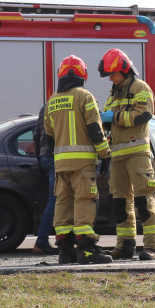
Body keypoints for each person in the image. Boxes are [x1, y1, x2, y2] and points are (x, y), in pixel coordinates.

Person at [45, 55, 112, 265]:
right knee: (84, 201)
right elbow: (95, 129)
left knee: (63, 203)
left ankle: (65, 251)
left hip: (60, 164)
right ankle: (87, 250)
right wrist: (105, 155)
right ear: (83, 75)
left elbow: (49, 134)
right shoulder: (84, 96)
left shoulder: (52, 100)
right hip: (82, 163)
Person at [98, 48, 155, 261]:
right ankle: (124, 246)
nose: (111, 79)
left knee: (144, 200)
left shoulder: (140, 88)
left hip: (137, 154)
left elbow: (142, 115)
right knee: (120, 203)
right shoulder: (113, 93)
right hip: (117, 155)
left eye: (113, 74)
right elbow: (110, 122)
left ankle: (151, 246)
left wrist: (112, 117)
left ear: (124, 70)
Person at [30, 105, 58, 254]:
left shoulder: (46, 107)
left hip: (46, 157)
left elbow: (36, 136)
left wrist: (40, 160)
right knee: (57, 199)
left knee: (57, 199)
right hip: (57, 156)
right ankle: (42, 241)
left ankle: (62, 239)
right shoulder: (72, 102)